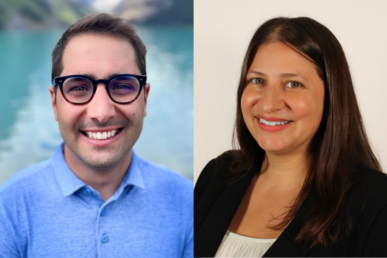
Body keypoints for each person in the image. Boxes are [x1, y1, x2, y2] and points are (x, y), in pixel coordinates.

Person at [0, 13, 192, 258]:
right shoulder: (7, 208)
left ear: (144, 99)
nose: (101, 113)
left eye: (122, 85)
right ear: (54, 103)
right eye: (78, 87)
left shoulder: (188, 202)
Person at [194, 17, 387, 257]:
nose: (268, 104)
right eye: (257, 80)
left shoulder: (376, 203)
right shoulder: (217, 175)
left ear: (332, 96)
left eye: (293, 84)